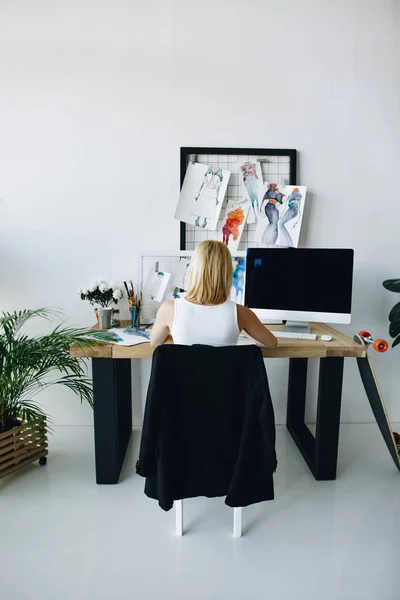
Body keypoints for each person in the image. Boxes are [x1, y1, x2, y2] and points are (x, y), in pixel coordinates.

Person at [150, 240, 277, 349]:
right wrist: (241, 328)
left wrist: (182, 342)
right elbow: (272, 343)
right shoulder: (241, 314)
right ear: (227, 273)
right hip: (227, 378)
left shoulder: (169, 309)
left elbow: (155, 343)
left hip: (184, 377)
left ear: (193, 270)